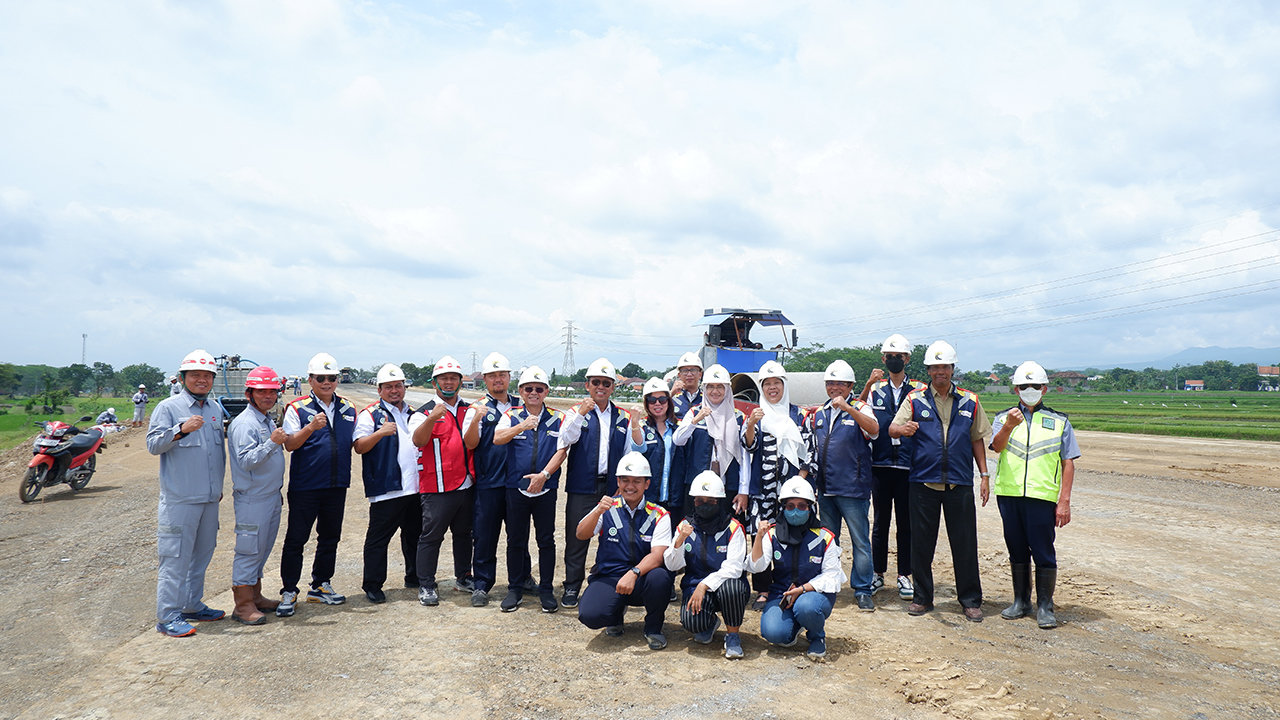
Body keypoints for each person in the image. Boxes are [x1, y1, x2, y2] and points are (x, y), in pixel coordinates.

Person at [889, 340, 992, 622]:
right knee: (922, 544)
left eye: (944, 366)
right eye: (934, 367)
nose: (939, 372)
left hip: (959, 483)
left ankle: (970, 600)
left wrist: (983, 475)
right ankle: (923, 598)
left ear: (952, 369)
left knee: (965, 544)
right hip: (923, 483)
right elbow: (892, 429)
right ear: (928, 370)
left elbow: (977, 439)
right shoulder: (915, 399)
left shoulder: (970, 401)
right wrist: (903, 429)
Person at [989, 361, 1079, 629]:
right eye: (1024, 386)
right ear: (1016, 389)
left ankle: (1045, 607)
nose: (1030, 390)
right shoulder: (1003, 417)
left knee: (1043, 551)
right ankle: (1020, 601)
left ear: (1045, 389)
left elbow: (1069, 462)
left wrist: (1064, 501)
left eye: (1035, 386)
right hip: (1010, 494)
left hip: (1042, 497)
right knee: (1016, 549)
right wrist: (1008, 426)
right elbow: (996, 446)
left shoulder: (1059, 421)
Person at [146, 349, 226, 637]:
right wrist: (180, 430)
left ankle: (192, 605)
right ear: (182, 378)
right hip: (179, 500)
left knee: (202, 555)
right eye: (195, 375)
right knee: (175, 559)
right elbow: (154, 445)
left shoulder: (215, 409)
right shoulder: (168, 408)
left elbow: (219, 453)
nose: (202, 380)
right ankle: (168, 616)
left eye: (207, 376)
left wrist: (217, 488)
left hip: (208, 499)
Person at [278, 352, 358, 616]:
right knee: (296, 539)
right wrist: (310, 428)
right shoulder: (298, 408)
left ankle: (320, 585)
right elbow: (290, 444)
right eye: (321, 378)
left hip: (336, 485)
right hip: (306, 486)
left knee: (330, 538)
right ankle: (289, 590)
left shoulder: (348, 407)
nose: (327, 383)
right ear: (310, 380)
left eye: (332, 378)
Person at [575, 452, 674, 650]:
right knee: (590, 616)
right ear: (618, 482)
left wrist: (633, 573)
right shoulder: (607, 507)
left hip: (642, 577)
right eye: (625, 480)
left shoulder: (659, 514)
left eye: (637, 481)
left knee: (661, 578)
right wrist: (597, 511)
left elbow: (657, 555)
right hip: (609, 576)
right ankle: (615, 614)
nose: (630, 486)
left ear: (647, 484)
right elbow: (581, 534)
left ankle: (653, 628)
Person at [556, 357, 631, 609]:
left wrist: (624, 485)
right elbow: (565, 439)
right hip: (582, 486)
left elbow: (629, 451)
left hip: (612, 487)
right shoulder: (574, 412)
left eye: (606, 383)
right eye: (596, 382)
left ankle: (608, 582)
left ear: (613, 387)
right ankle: (572, 585)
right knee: (577, 537)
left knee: (613, 537)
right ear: (587, 385)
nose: (601, 387)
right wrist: (582, 414)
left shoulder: (623, 416)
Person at [491, 366, 567, 613]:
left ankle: (546, 589)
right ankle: (515, 589)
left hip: (545, 487)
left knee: (546, 541)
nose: (533, 393)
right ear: (521, 391)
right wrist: (521, 426)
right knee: (516, 540)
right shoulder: (512, 415)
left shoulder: (558, 417)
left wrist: (544, 476)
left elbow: (562, 450)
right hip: (516, 488)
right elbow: (498, 438)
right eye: (528, 389)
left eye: (539, 388)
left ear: (546, 391)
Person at [741, 360, 815, 611]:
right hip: (762, 491)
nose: (772, 388)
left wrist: (798, 484)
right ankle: (763, 588)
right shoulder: (757, 414)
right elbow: (749, 445)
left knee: (791, 537)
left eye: (777, 383)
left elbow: (810, 453)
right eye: (767, 384)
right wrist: (751, 423)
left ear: (784, 385)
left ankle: (789, 585)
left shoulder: (799, 415)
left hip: (791, 493)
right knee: (761, 536)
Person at [859, 333, 928, 601]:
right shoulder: (876, 388)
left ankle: (904, 575)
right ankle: (878, 573)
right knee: (880, 523)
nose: (894, 360)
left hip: (910, 466)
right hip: (881, 463)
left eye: (899, 356)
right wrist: (867, 384)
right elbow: (860, 408)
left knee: (906, 524)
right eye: (889, 356)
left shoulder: (919, 390)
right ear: (883, 359)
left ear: (907, 359)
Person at [809, 359, 881, 612]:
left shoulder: (861, 407)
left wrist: (849, 409)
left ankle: (862, 589)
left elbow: (874, 430)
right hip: (826, 488)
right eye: (831, 383)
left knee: (860, 541)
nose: (835, 387)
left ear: (851, 386)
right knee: (829, 541)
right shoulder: (820, 412)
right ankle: (829, 583)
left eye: (840, 383)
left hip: (853, 489)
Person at [747, 477, 846, 662]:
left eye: (802, 506)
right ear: (782, 508)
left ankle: (817, 636)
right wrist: (759, 538)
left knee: (806, 606)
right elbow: (756, 566)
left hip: (815, 595)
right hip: (782, 594)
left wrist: (802, 590)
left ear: (810, 508)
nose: (795, 511)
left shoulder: (824, 537)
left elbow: (832, 576)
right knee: (773, 633)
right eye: (790, 506)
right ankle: (796, 624)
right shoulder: (772, 534)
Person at [462, 352, 533, 607]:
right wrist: (477, 419)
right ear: (485, 379)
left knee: (519, 534)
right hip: (489, 481)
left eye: (501, 374)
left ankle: (524, 576)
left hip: (516, 481)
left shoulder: (521, 405)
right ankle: (482, 584)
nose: (497, 379)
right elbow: (470, 443)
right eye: (492, 376)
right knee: (485, 535)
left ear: (509, 377)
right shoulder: (478, 407)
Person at [410, 356, 477, 607]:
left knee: (463, 534)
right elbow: (418, 441)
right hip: (437, 486)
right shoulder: (423, 411)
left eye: (453, 378)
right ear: (434, 382)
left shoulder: (468, 409)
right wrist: (431, 418)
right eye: (443, 378)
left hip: (466, 484)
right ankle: (426, 584)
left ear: (460, 381)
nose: (448, 382)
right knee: (431, 537)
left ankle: (463, 577)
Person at [353, 364, 421, 604]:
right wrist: (380, 433)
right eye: (389, 387)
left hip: (414, 487)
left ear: (404, 387)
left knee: (414, 535)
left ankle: (414, 576)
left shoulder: (413, 412)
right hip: (387, 488)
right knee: (379, 539)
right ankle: (372, 584)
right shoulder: (370, 414)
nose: (394, 390)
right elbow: (360, 446)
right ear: (379, 390)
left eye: (398, 386)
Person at [663, 471, 750, 659]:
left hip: (726, 586)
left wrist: (705, 585)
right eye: (699, 501)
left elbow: (734, 568)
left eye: (711, 501)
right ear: (693, 502)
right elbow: (671, 565)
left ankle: (733, 636)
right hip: (695, 587)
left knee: (733, 587)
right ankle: (709, 622)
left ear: (719, 502)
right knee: (692, 623)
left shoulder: (733, 528)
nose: (705, 505)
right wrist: (679, 541)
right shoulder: (685, 526)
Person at [226, 366, 288, 625]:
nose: (268, 396)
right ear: (249, 393)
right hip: (252, 499)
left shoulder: (265, 419)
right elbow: (247, 461)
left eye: (272, 392)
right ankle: (243, 606)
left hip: (270, 497)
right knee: (248, 550)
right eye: (262, 392)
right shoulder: (245, 424)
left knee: (262, 549)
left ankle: (256, 596)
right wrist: (273, 441)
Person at [629, 376, 686, 523]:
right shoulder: (641, 427)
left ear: (669, 401)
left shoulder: (679, 428)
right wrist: (634, 422)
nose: (658, 404)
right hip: (649, 499)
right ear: (646, 403)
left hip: (675, 498)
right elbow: (639, 447)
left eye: (662, 399)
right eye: (652, 400)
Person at [671, 351, 704, 418]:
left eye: (693, 370)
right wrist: (670, 394)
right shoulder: (671, 399)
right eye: (685, 371)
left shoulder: (706, 400)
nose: (689, 374)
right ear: (679, 375)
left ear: (700, 374)